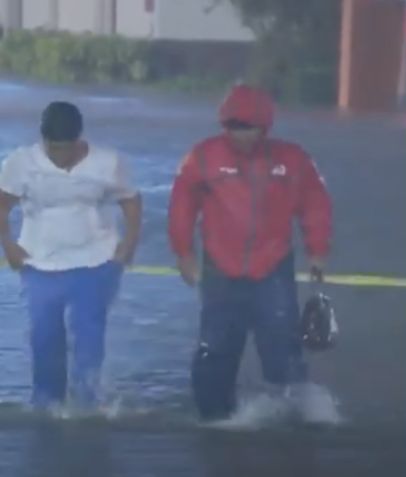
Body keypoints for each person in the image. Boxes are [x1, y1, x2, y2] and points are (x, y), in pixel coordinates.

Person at [168, 84, 333, 421]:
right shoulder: (201, 157)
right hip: (219, 268)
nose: (240, 135)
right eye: (233, 127)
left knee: (282, 344)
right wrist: (183, 252)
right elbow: (181, 206)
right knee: (216, 345)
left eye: (249, 128)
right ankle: (213, 417)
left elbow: (315, 204)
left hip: (273, 267)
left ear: (265, 127)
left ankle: (294, 413)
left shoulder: (293, 160)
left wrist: (317, 251)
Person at [0, 101, 141, 409]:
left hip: (96, 261)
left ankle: (87, 406)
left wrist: (128, 244)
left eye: (67, 148)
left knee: (88, 339)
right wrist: (8, 244)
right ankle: (47, 405)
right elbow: (3, 204)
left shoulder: (108, 162)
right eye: (54, 148)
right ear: (43, 139)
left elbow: (130, 202)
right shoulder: (20, 163)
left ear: (79, 139)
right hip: (39, 262)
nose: (60, 155)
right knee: (44, 338)